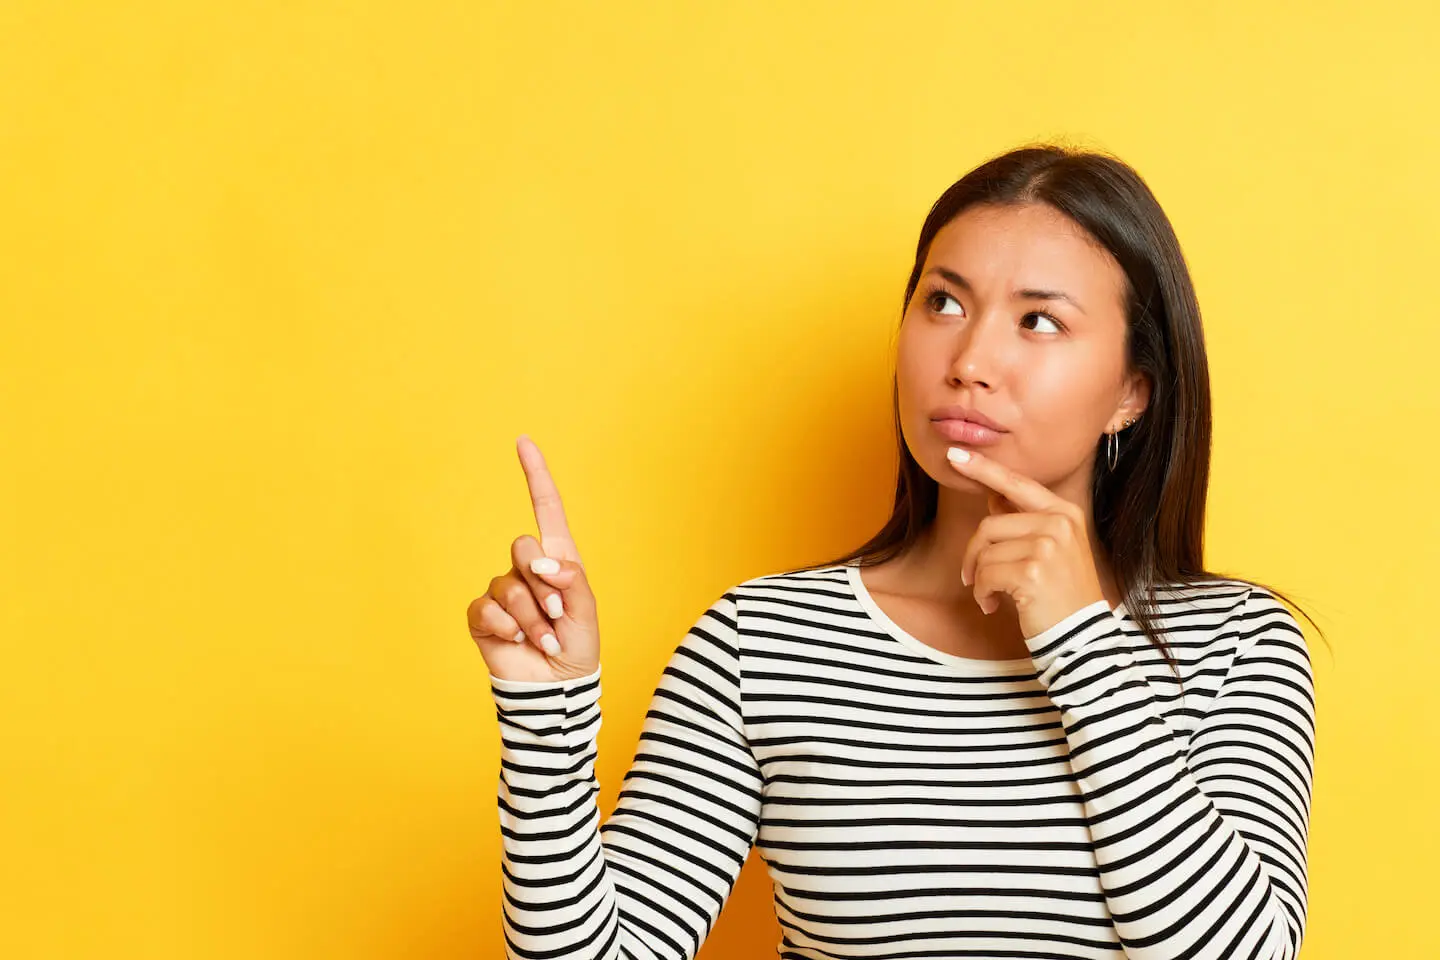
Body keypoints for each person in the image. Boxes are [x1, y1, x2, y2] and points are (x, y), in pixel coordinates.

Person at [466, 144, 1321, 960]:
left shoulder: (1236, 645)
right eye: (943, 302)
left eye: (1040, 320)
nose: (971, 360)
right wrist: (549, 719)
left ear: (1131, 393)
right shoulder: (760, 642)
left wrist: (1081, 644)